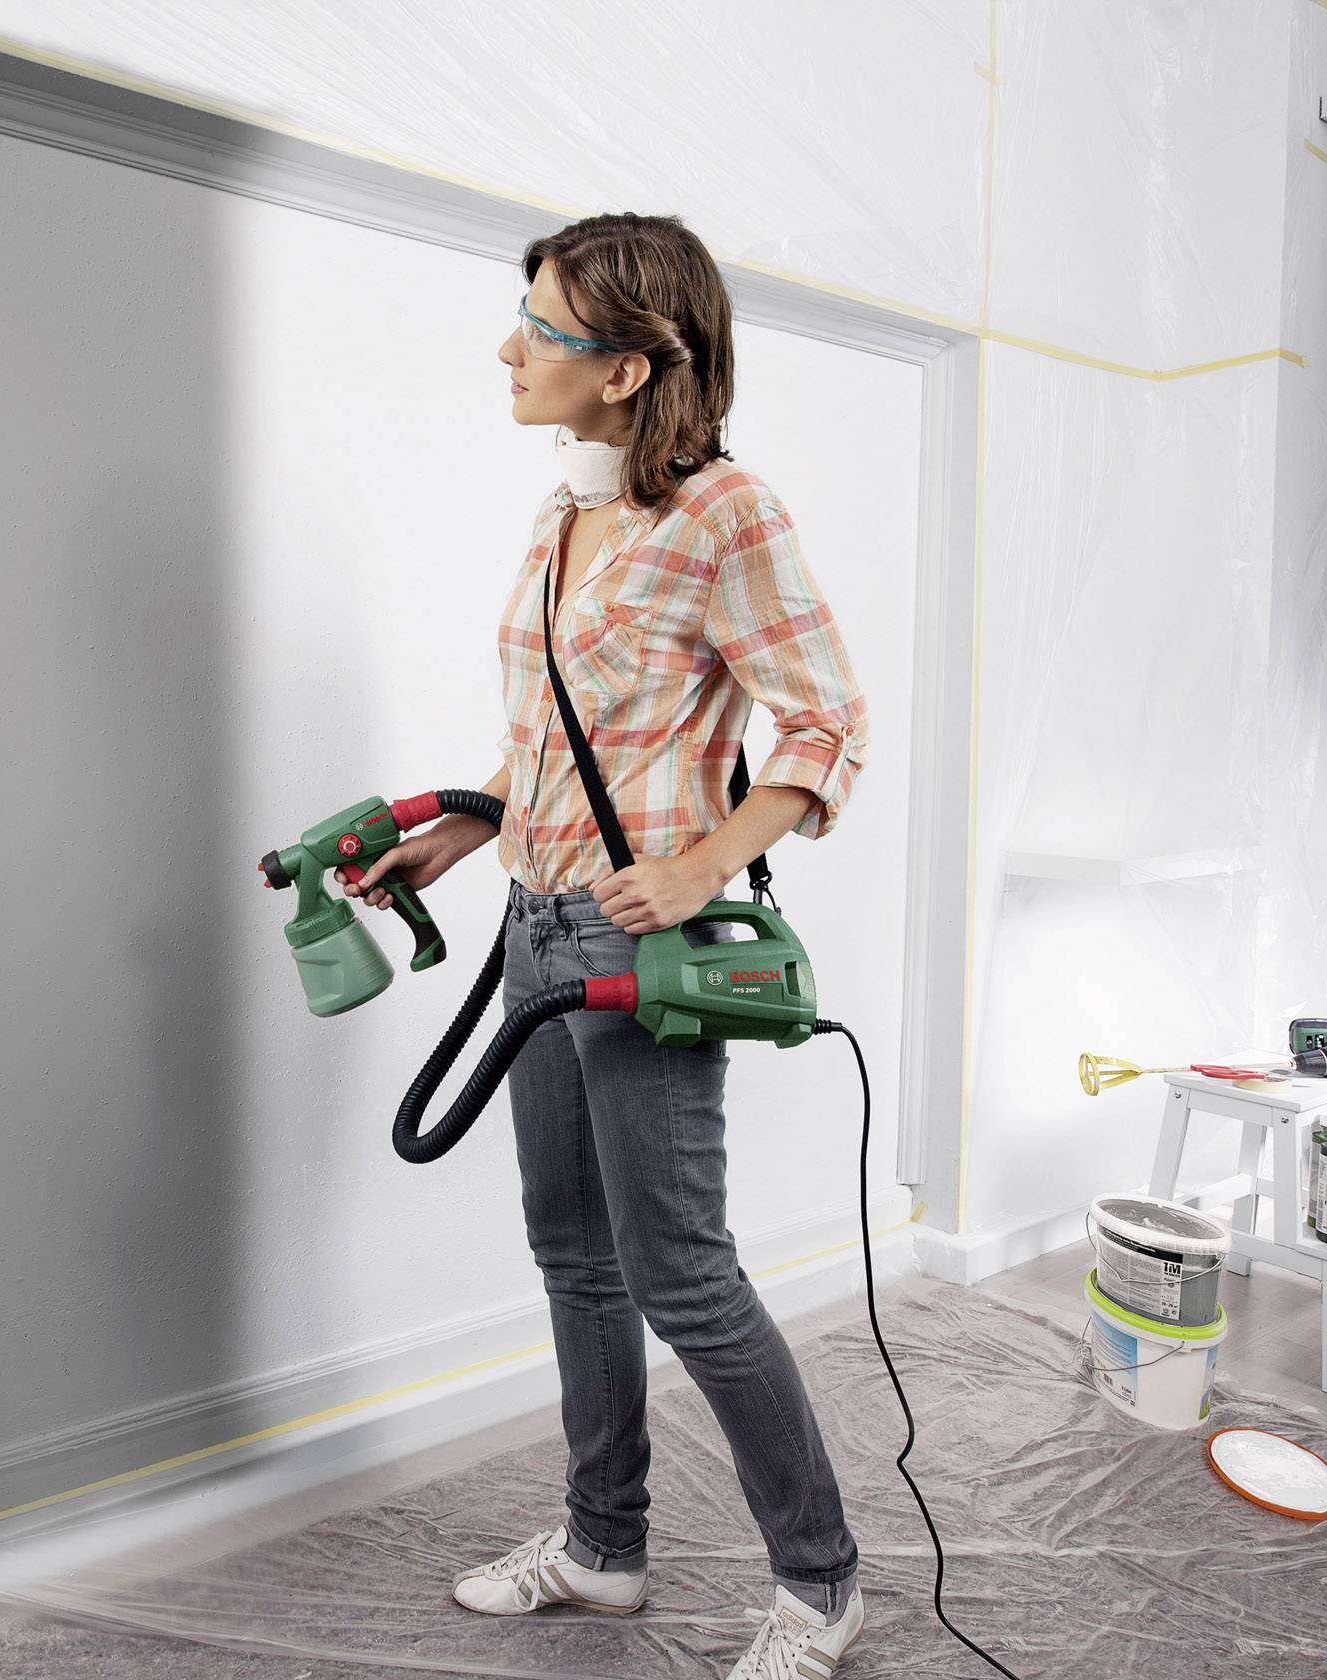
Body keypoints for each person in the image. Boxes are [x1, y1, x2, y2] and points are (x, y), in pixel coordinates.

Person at [339, 212, 872, 1678]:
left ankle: (822, 1586)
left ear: (632, 367)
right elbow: (567, 743)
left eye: (545, 329)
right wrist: (471, 827)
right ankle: (603, 1549)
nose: (510, 350)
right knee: (574, 1254)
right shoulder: (562, 515)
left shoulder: (727, 515)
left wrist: (700, 862)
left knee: (683, 1270)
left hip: (646, 952)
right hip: (535, 929)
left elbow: (829, 725)